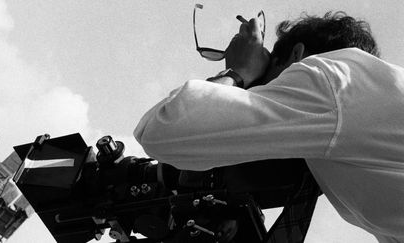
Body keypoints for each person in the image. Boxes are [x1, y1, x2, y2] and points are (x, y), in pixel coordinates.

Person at [134, 11, 404, 243]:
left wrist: (239, 73)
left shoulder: (333, 78)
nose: (262, 93)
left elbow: (162, 129)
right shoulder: (371, 105)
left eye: (265, 85)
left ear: (296, 56)